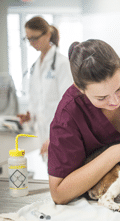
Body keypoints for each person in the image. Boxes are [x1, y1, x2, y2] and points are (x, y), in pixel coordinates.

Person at [47, 39, 120, 205]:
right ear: (80, 89)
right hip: (100, 197)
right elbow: (59, 194)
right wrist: (116, 153)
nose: (115, 101)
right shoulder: (68, 116)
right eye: (101, 98)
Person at [17, 16, 73, 158]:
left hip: (60, 134)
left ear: (48, 34)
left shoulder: (61, 64)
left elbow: (68, 104)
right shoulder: (36, 66)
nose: (31, 43)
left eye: (34, 38)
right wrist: (29, 115)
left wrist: (56, 136)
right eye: (28, 39)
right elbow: (36, 99)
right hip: (42, 133)